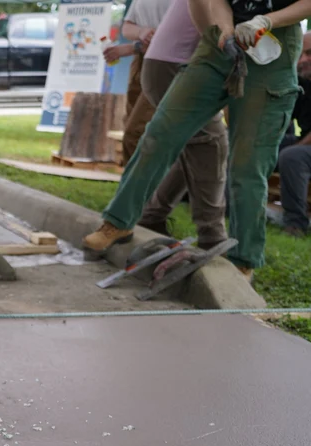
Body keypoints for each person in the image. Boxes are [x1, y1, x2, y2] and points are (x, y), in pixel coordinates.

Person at [83, 0, 311, 280]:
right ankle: (118, 222)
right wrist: (225, 27)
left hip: (272, 50)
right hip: (219, 44)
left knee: (247, 164)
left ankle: (243, 260)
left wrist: (267, 21)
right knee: (160, 133)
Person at [107, 0, 230, 247]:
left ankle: (150, 216)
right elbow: (209, 23)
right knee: (209, 143)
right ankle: (211, 236)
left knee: (193, 143)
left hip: (173, 60)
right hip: (177, 62)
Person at [103, 0, 175, 162]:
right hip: (141, 62)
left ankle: (141, 185)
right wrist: (141, 32)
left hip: (166, 63)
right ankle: (135, 184)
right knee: (131, 126)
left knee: (136, 132)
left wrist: (132, 47)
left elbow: (177, 36)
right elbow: (128, 27)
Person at [275, 31, 311, 238]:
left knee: (292, 156)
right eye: (301, 53)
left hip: (304, 149)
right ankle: (230, 207)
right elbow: (284, 117)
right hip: (304, 144)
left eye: (310, 53)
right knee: (260, 145)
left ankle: (296, 224)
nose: (304, 59)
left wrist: (295, 147)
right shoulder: (303, 84)